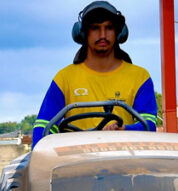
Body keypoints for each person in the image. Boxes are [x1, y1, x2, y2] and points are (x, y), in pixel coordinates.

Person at [31, 1, 158, 147]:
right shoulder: (64, 78)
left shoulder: (140, 77)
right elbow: (44, 127)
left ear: (119, 32)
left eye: (109, 27)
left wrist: (124, 130)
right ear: (83, 33)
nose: (102, 35)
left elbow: (148, 124)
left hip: (124, 161)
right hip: (76, 164)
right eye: (95, 28)